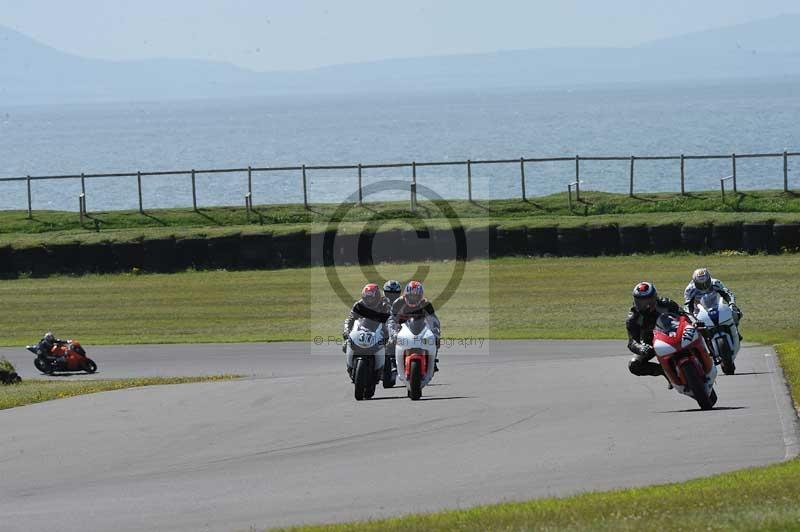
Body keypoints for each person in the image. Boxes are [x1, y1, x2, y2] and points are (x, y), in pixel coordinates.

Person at [626, 282, 683, 381]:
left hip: (674, 334)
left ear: (654, 298)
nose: (644, 305)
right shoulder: (633, 317)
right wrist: (641, 348)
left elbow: (684, 314)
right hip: (651, 343)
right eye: (640, 301)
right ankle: (665, 372)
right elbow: (632, 342)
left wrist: (695, 323)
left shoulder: (666, 304)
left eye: (647, 301)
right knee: (634, 365)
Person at [388, 281, 441, 371]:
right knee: (390, 342)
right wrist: (393, 332)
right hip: (402, 328)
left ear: (421, 296)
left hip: (420, 327)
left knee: (435, 340)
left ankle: (432, 360)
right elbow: (391, 319)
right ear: (406, 295)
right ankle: (392, 362)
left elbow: (434, 320)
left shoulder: (426, 304)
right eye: (411, 296)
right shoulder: (398, 303)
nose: (413, 298)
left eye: (416, 296)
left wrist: (435, 333)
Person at [342, 283, 391, 354]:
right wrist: (346, 331)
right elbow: (350, 319)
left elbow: (389, 320)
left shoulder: (385, 304)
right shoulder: (359, 305)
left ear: (377, 297)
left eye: (371, 298)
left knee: (390, 348)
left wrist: (389, 335)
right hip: (362, 332)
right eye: (367, 298)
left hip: (379, 332)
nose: (369, 301)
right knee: (346, 346)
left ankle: (387, 363)